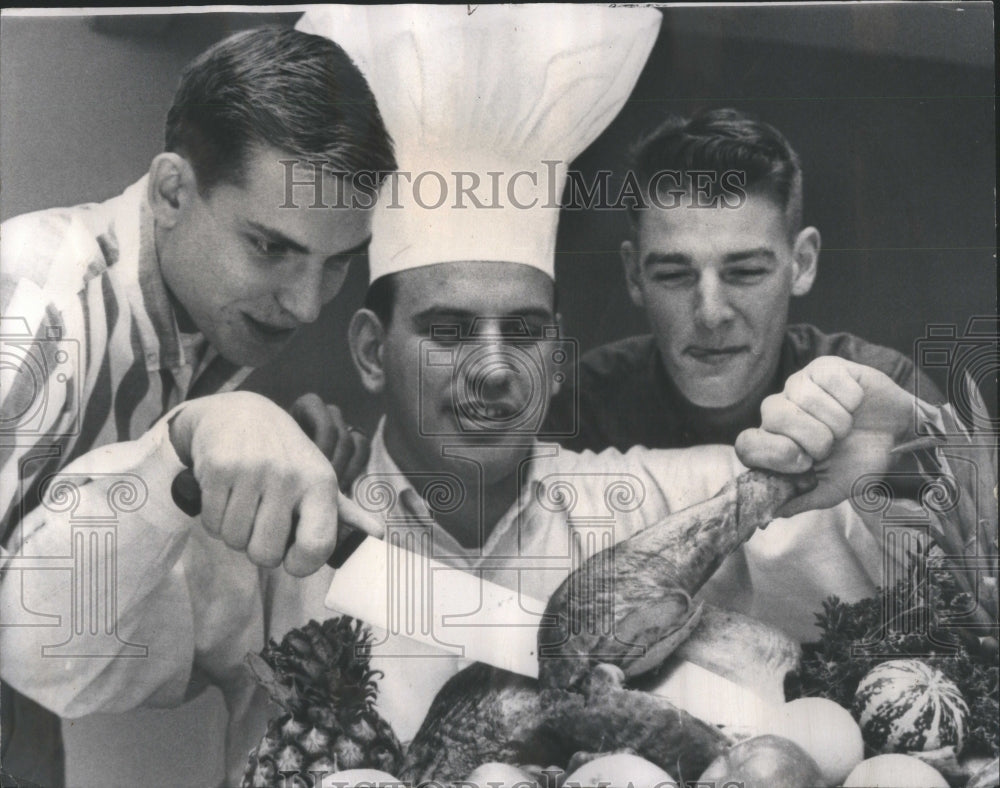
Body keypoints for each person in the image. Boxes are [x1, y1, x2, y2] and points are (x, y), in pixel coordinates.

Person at [0, 26, 393, 786]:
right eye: (272, 248)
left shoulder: (201, 325)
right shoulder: (34, 308)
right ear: (173, 191)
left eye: (337, 262)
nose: (307, 304)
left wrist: (260, 484)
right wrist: (189, 443)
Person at [544, 108, 944, 452]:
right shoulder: (581, 410)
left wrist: (917, 443)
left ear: (802, 264)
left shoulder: (885, 392)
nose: (711, 313)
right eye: (673, 275)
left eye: (747, 272)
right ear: (634, 275)